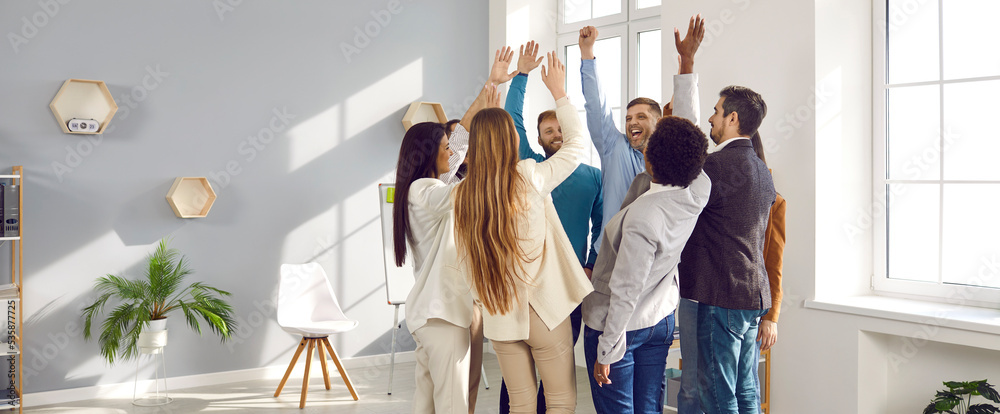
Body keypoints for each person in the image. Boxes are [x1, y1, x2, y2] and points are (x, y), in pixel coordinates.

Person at [453, 52, 593, 414]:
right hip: (544, 310)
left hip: (499, 313)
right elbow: (577, 147)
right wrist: (560, 94)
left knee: (520, 403)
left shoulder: (460, 195)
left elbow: (453, 151)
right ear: (510, 139)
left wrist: (491, 90)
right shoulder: (529, 176)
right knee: (560, 401)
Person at [583, 16, 707, 414]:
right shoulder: (697, 188)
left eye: (644, 122)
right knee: (649, 408)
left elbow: (626, 288)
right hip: (660, 316)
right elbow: (689, 132)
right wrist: (686, 67)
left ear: (653, 156)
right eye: (628, 119)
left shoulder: (643, 217)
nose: (633, 126)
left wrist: (607, 348)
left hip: (622, 320)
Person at [391, 50, 511, 413]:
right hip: (442, 315)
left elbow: (460, 140)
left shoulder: (427, 186)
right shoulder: (425, 192)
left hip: (437, 314)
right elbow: (470, 184)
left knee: (428, 402)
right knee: (455, 403)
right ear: (429, 154)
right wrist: (492, 142)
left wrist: (492, 84)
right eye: (445, 149)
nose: (454, 154)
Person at [496, 40, 604, 414]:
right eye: (548, 130)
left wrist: (589, 263)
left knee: (540, 383)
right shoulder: (530, 171)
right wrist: (523, 78)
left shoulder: (592, 176)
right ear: (537, 139)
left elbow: (601, 223)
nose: (556, 134)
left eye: (560, 128)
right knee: (534, 390)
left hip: (564, 287)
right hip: (523, 291)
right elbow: (512, 120)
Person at [683, 85, 775, 414]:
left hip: (722, 296)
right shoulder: (764, 171)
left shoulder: (714, 166)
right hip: (753, 296)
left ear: (732, 118)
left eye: (716, 111)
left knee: (718, 393)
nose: (711, 118)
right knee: (745, 388)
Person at [578, 23, 701, 237]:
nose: (632, 122)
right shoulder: (614, 149)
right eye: (628, 118)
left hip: (655, 251)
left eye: (641, 117)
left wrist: (687, 65)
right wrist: (587, 54)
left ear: (659, 121)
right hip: (611, 254)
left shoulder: (668, 157)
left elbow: (687, 125)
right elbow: (596, 105)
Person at [750, 131, 786, 406]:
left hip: (751, 304)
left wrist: (772, 316)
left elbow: (774, 263)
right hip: (707, 300)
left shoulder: (775, 200)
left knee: (747, 385)